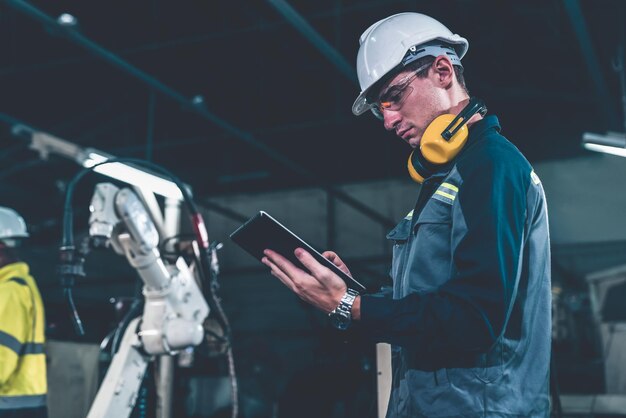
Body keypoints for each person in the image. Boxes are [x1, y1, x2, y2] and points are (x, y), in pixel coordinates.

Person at [262, 12, 551, 418]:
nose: (389, 121)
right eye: (381, 110)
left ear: (443, 70)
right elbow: (432, 303)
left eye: (395, 98)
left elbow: (474, 319)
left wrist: (351, 306)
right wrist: (354, 294)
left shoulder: (491, 167)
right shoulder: (447, 177)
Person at [0, 207, 47, 417]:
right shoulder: (23, 285)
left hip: (10, 407)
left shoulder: (10, 291)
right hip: (24, 405)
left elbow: (2, 358)